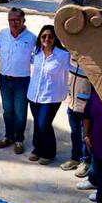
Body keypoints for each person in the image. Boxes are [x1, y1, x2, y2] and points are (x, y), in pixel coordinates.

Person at [27, 26, 71, 165]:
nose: (47, 39)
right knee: (38, 124)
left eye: (50, 36)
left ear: (55, 38)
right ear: (40, 38)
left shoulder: (63, 55)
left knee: (44, 124)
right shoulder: (36, 53)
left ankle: (49, 152)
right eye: (44, 36)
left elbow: (74, 69)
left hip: (52, 97)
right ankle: (37, 148)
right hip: (34, 95)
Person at [0, 8, 37, 154]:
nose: (14, 23)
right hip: (4, 79)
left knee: (20, 112)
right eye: (11, 20)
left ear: (23, 21)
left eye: (17, 20)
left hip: (22, 81)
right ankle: (8, 136)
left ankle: (19, 139)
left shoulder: (32, 38)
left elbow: (37, 58)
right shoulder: (2, 34)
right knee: (7, 111)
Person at [62, 52, 93, 171]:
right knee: (75, 133)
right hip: (72, 102)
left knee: (86, 135)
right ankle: (75, 158)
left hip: (85, 104)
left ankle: (86, 161)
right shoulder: (71, 56)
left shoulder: (92, 59)